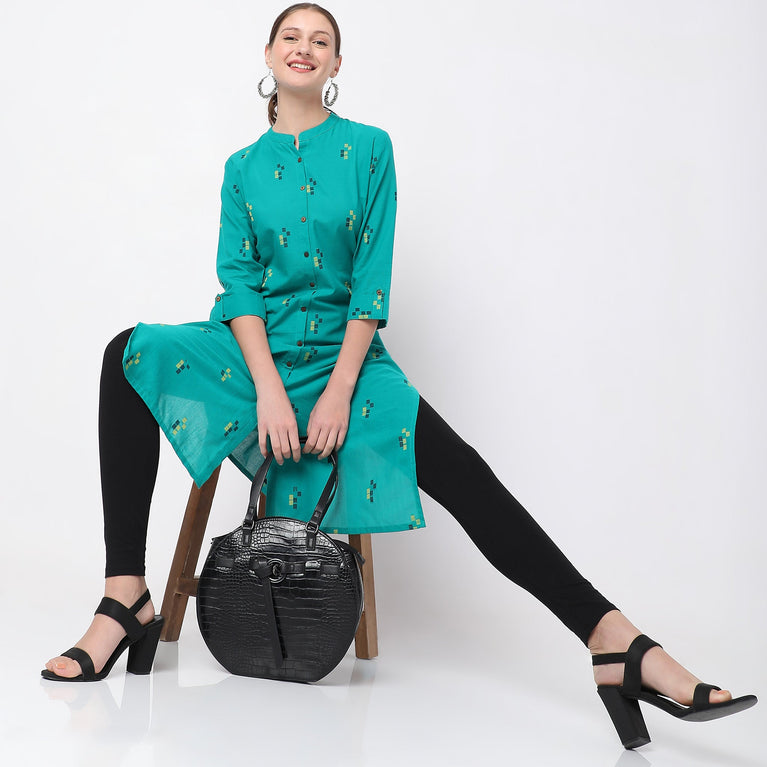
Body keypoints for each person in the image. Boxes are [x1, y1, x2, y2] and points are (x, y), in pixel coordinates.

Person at [42, 2, 756, 750]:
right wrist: (271, 390)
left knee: (463, 471)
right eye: (291, 36)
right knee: (127, 352)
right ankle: (125, 596)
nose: (304, 48)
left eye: (321, 40)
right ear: (268, 54)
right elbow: (240, 284)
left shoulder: (370, 149)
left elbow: (370, 282)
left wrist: (340, 390)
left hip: (344, 358)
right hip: (255, 357)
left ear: (336, 65)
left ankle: (612, 639)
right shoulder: (241, 169)